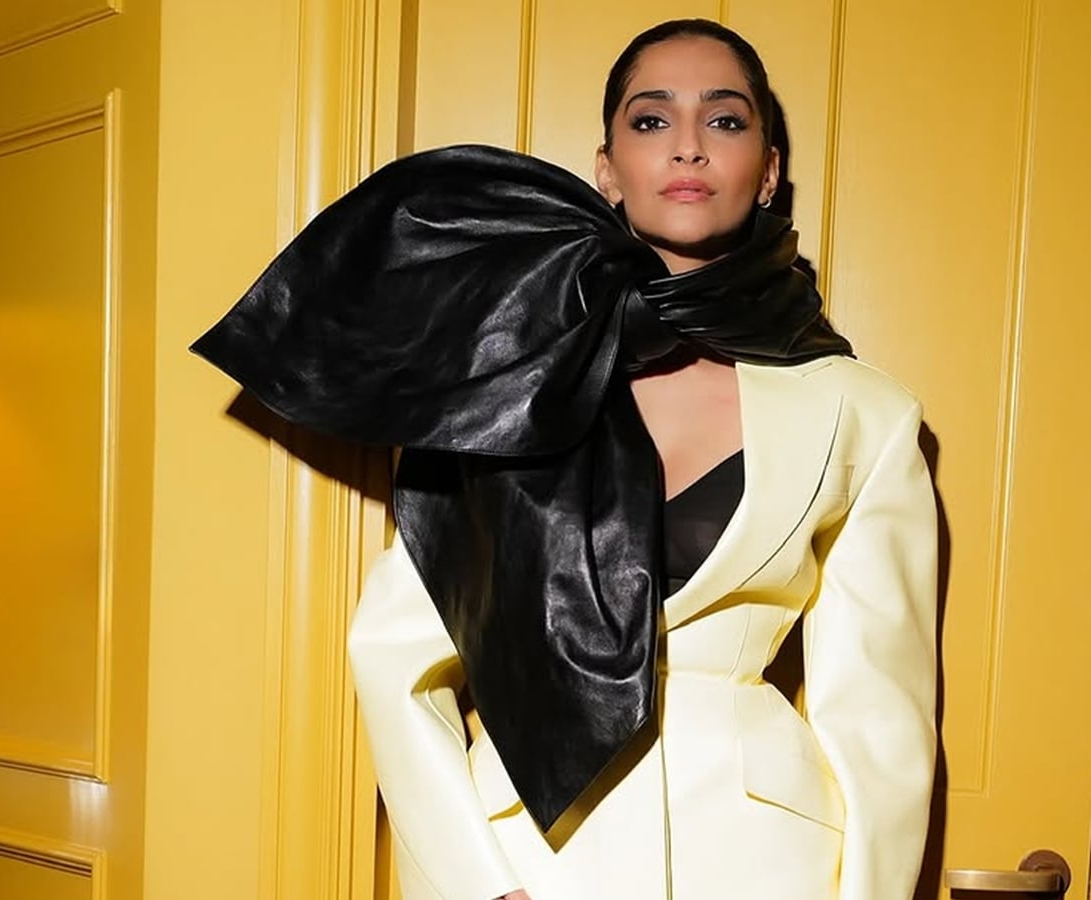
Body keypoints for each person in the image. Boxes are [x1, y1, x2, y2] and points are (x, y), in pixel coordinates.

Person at [194, 18, 937, 900]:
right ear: (607, 169)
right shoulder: (511, 373)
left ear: (769, 171)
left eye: (725, 120)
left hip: (765, 864)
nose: (689, 146)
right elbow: (394, 659)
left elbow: (879, 718)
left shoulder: (862, 411)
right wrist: (479, 884)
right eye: (651, 120)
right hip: (529, 860)